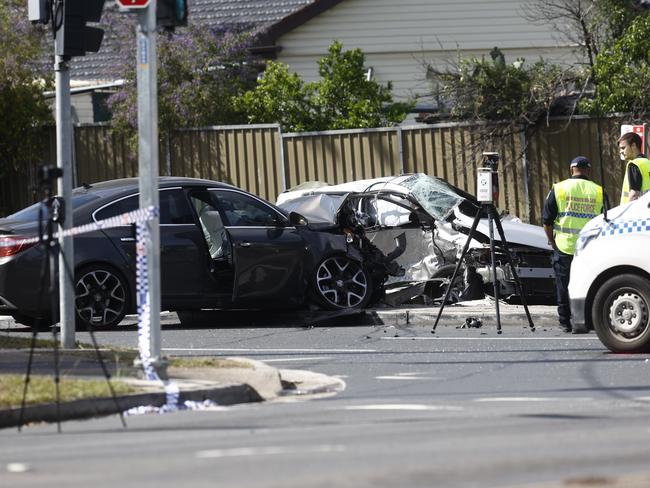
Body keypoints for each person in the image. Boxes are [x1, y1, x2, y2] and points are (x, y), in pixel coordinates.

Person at [543, 156, 604, 334]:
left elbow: (547, 221)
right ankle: (585, 321)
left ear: (571, 170)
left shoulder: (559, 189)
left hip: (564, 245)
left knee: (563, 285)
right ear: (588, 170)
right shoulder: (599, 191)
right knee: (590, 283)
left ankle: (565, 322)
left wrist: (552, 241)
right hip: (590, 248)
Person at [618, 131, 650, 204]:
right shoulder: (648, 163)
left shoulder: (634, 164)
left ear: (633, 145)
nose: (621, 151)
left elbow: (634, 194)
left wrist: (625, 213)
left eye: (623, 148)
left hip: (638, 212)